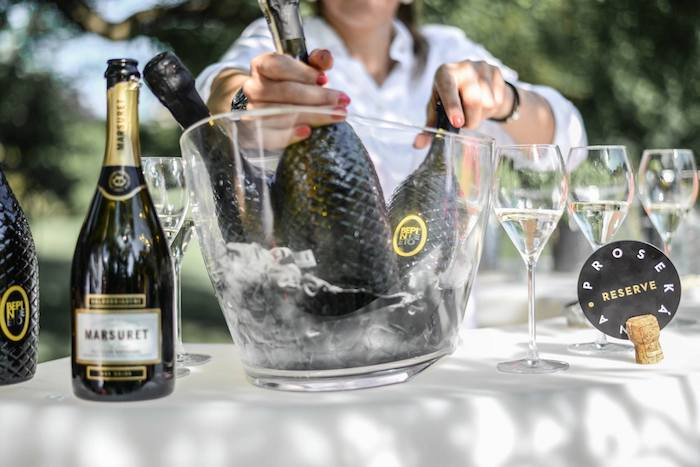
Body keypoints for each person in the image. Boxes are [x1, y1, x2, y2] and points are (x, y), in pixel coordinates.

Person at [195, 0, 588, 324]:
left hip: (439, 329)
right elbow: (220, 94)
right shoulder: (275, 37)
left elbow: (570, 140)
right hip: (314, 332)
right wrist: (247, 103)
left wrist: (504, 100)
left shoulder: (447, 48)